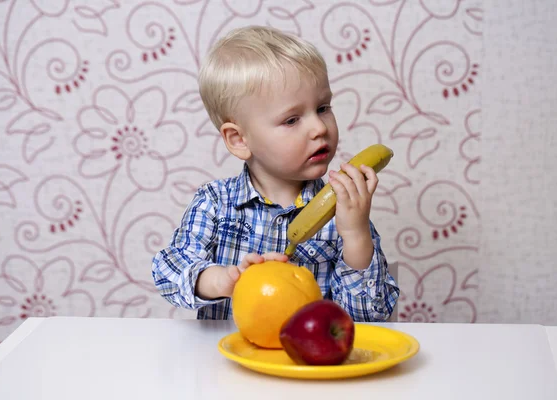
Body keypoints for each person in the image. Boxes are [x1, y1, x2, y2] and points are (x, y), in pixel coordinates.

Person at [151, 25, 399, 321]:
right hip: (229, 361)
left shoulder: (343, 208)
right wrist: (219, 280)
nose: (319, 128)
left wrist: (356, 234)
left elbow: (370, 316)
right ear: (239, 140)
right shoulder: (215, 203)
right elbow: (168, 270)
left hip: (310, 361)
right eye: (292, 119)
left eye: (322, 108)